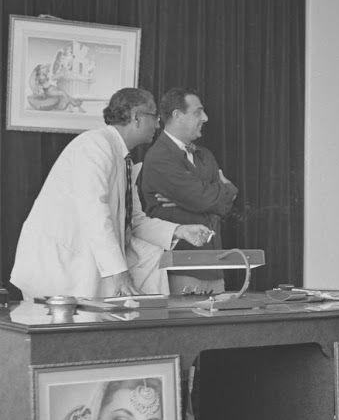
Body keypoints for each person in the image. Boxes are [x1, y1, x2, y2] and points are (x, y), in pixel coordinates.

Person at [10, 87, 213, 299]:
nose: (158, 124)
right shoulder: (94, 146)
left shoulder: (123, 158)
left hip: (77, 272)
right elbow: (95, 215)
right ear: (137, 117)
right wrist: (119, 273)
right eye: (154, 117)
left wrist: (180, 230)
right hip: (56, 271)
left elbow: (134, 222)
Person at [139, 88, 238, 295]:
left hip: (214, 269)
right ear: (177, 115)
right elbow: (204, 200)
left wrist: (198, 198)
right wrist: (228, 189)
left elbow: (217, 205)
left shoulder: (205, 155)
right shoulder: (159, 157)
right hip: (180, 270)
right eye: (197, 112)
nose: (205, 118)